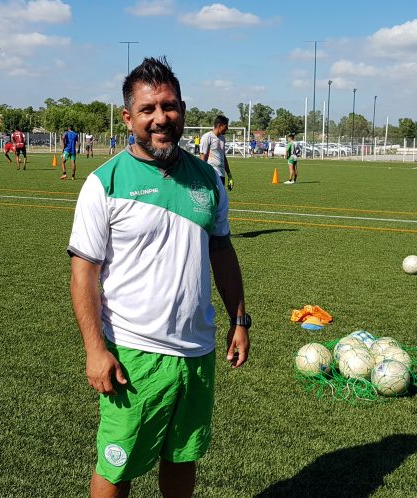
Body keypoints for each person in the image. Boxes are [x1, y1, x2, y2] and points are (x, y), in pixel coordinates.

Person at [68, 56, 249, 498]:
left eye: (169, 106)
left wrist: (239, 319)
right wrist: (94, 349)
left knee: (183, 457)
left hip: (197, 350)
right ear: (128, 117)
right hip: (134, 352)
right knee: (116, 466)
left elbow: (222, 250)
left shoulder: (208, 180)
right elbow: (84, 272)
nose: (160, 118)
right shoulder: (104, 183)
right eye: (147, 109)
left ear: (182, 110)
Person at [199, 115, 234, 190]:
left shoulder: (222, 138)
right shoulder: (207, 137)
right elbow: (202, 157)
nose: (227, 128)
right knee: (214, 196)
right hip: (212, 173)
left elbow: (223, 157)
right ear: (220, 126)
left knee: (220, 196)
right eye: (226, 126)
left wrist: (229, 175)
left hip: (221, 174)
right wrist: (203, 174)